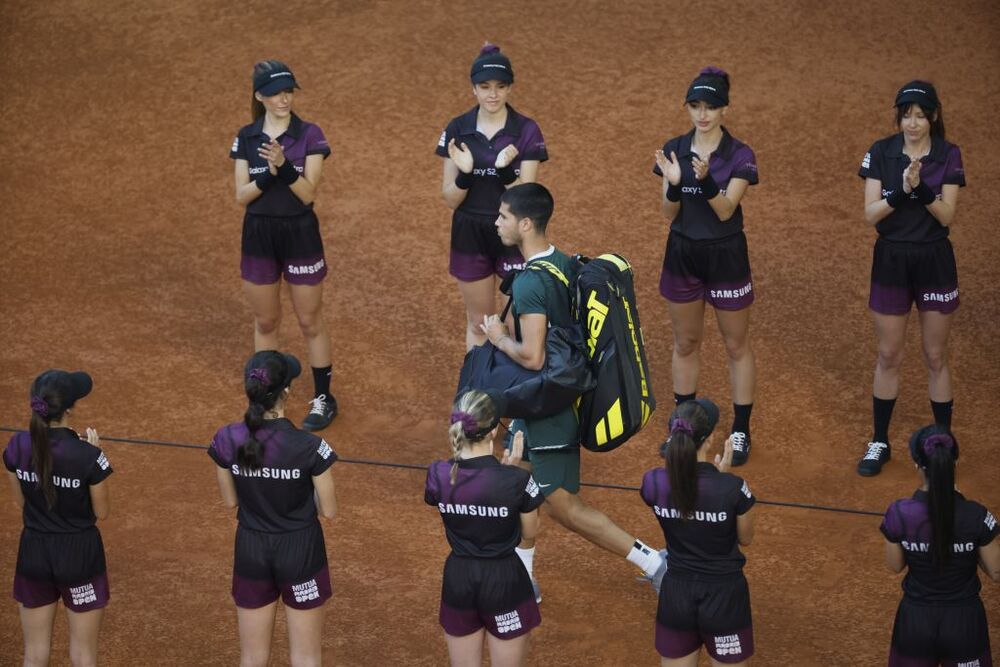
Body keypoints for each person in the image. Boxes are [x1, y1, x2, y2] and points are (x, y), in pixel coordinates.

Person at [479, 182, 666, 600]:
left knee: (565, 507)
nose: (497, 222)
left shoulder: (529, 284)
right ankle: (522, 576)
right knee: (518, 482)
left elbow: (532, 356)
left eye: (504, 216)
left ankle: (656, 564)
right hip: (543, 400)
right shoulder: (563, 261)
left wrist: (497, 337)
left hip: (549, 409)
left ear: (525, 224)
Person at [856, 80, 966, 476]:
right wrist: (902, 191)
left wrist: (920, 192)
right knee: (888, 354)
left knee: (936, 356)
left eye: (920, 116)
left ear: (933, 116)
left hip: (934, 259)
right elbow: (871, 214)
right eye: (906, 116)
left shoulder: (948, 155)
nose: (913, 123)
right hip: (891, 260)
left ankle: (943, 447)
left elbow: (947, 215)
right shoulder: (881, 152)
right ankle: (879, 441)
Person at [652, 66, 760, 465]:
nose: (703, 114)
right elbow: (668, 211)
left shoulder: (739, 155)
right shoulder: (675, 148)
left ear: (724, 109)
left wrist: (707, 180)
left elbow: (726, 208)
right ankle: (683, 426)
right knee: (686, 343)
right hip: (683, 253)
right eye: (696, 106)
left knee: (736, 344)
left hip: (726, 254)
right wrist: (676, 183)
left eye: (711, 106)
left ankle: (741, 429)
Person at [208, 351, 338, 667]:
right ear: (287, 392)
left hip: (252, 547)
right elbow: (329, 511)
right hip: (301, 550)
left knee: (252, 657)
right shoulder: (310, 446)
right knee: (306, 657)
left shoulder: (227, 439)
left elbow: (230, 501)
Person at [230, 59, 337, 431]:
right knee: (266, 320)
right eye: (275, 93)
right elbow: (242, 195)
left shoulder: (310, 135)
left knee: (310, 320)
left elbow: (307, 193)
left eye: (288, 91)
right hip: (258, 234)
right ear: (259, 95)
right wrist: (269, 175)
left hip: (300, 232)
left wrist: (284, 167)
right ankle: (266, 399)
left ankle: (324, 398)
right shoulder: (246, 137)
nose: (283, 99)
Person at [436, 43, 548, 350]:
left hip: (514, 229)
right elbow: (450, 199)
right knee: (480, 322)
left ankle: (517, 392)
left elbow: (528, 197)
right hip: (470, 231)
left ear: (510, 87)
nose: (493, 94)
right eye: (484, 87)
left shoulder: (526, 130)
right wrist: (466, 174)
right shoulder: (457, 128)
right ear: (473, 88)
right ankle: (477, 393)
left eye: (500, 86)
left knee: (518, 322)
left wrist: (505, 174)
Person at [425, 389, 542, 666]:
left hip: (458, 578)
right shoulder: (517, 481)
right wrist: (510, 474)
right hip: (504, 581)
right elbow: (529, 533)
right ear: (492, 433)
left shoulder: (437, 475)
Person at [3, 370, 113, 667]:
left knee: (34, 654)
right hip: (79, 555)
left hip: (34, 551)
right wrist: (94, 453)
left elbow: (21, 502)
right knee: (83, 656)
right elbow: (101, 512)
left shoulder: (16, 447)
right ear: (68, 409)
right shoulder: (88, 456)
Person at [641, 398, 756, 666]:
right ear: (710, 438)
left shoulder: (653, 483)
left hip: (676, 594)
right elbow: (745, 538)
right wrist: (722, 477)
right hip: (724, 597)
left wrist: (716, 480)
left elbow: (685, 496)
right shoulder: (732, 488)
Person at [880, 425, 998, 665]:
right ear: (954, 463)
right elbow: (996, 571)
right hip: (964, 623)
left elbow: (895, 566)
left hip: (915, 621)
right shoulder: (976, 515)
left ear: (916, 464)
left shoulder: (898, 513)